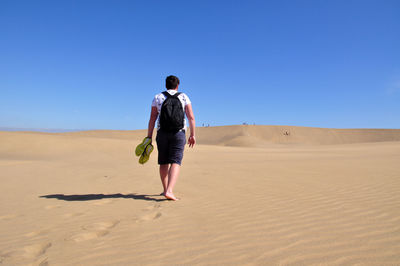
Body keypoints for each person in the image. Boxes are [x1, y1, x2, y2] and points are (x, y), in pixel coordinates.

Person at [146, 75, 196, 201]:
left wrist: (149, 136)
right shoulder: (184, 96)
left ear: (166, 85)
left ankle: (164, 189)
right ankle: (170, 190)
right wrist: (192, 135)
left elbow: (152, 118)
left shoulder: (158, 97)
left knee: (163, 162)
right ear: (177, 85)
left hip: (162, 133)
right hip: (178, 133)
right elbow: (191, 117)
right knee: (176, 161)